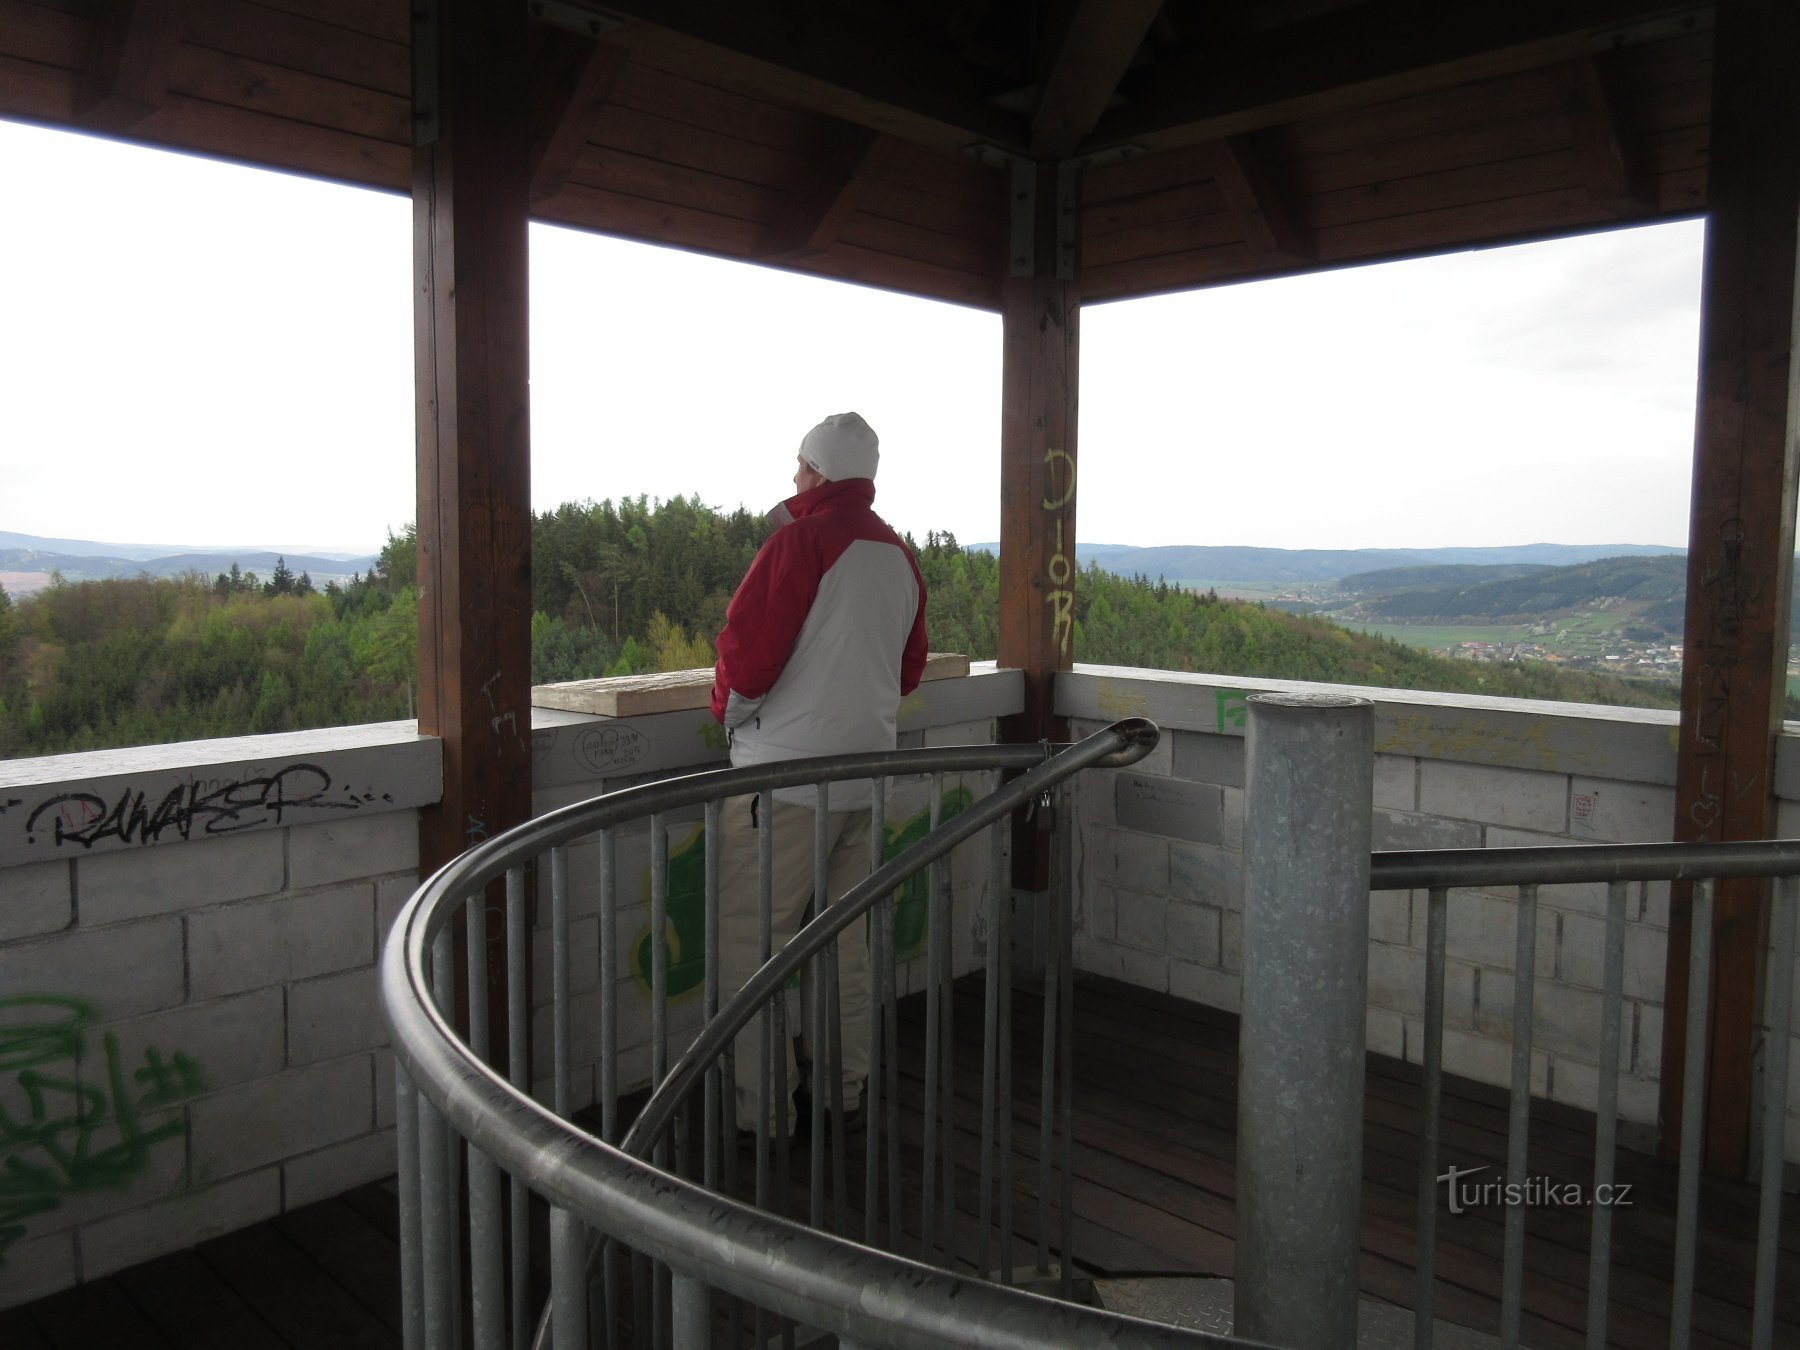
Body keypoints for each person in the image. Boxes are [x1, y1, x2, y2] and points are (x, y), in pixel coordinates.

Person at [710, 411, 928, 1137]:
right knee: (848, 945)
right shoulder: (897, 555)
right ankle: (845, 1097)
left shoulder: (798, 542)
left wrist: (735, 720)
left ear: (820, 473)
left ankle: (761, 1116)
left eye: (800, 466)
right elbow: (908, 670)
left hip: (782, 786)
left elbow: (746, 660)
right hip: (866, 779)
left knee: (754, 948)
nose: (793, 478)